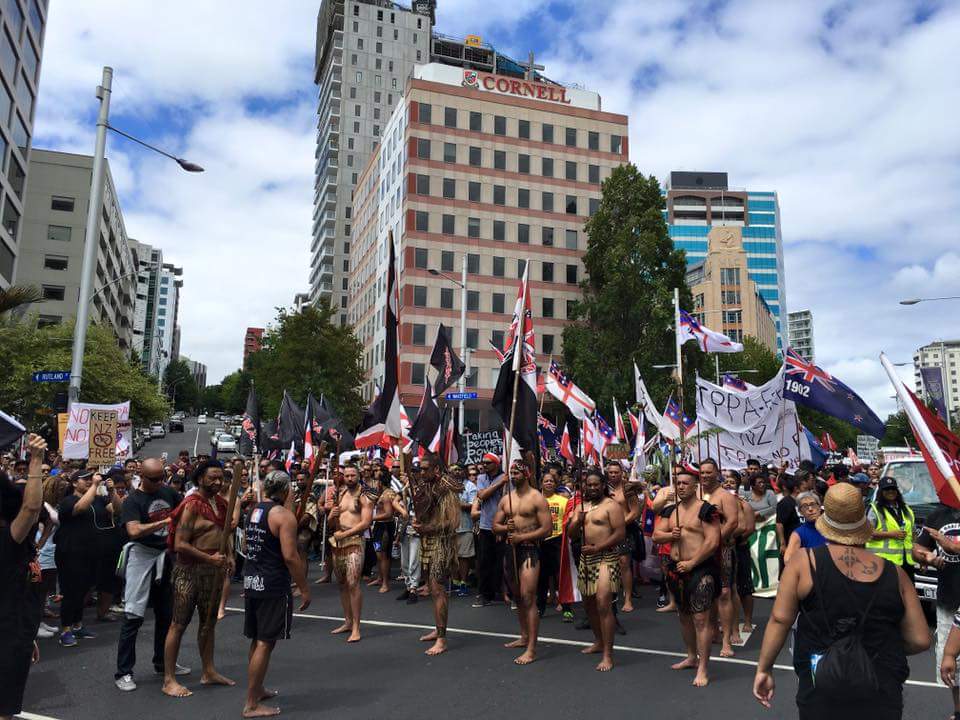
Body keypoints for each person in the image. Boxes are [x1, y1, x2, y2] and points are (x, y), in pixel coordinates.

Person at [753, 483, 930, 718]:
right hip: (881, 685)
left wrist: (764, 668)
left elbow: (780, 620)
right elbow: (920, 639)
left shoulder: (803, 563)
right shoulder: (895, 574)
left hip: (822, 683)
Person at [161, 460, 236, 697]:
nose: (218, 482)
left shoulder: (221, 503)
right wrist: (209, 558)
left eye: (220, 477)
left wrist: (230, 555)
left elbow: (223, 533)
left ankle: (209, 671)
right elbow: (180, 544)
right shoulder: (192, 504)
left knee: (209, 623)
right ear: (200, 478)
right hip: (189, 572)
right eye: (212, 477)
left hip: (212, 573)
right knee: (179, 623)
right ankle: (169, 680)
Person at [241, 470, 310, 719]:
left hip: (253, 580)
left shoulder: (254, 510)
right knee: (265, 641)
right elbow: (290, 556)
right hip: (272, 583)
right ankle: (251, 703)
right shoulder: (284, 516)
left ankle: (257, 689)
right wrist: (304, 588)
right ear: (285, 490)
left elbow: (247, 545)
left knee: (257, 639)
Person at [115, 458, 183, 693]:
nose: (159, 482)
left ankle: (163, 662)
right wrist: (165, 521)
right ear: (141, 476)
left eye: (161, 477)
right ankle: (124, 672)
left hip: (165, 554)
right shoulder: (133, 500)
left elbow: (185, 511)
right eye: (154, 479)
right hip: (141, 555)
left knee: (166, 613)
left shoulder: (168, 492)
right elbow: (133, 530)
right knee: (133, 614)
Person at [652, 467, 721, 687]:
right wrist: (669, 535)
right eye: (678, 483)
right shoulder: (671, 510)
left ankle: (703, 667)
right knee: (683, 615)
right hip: (675, 568)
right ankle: (691, 657)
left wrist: (693, 562)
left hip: (701, 568)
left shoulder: (706, 510)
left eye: (685, 483)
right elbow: (656, 536)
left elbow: (713, 541)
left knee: (701, 619)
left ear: (695, 486)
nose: (681, 487)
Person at [0, 435, 46, 720]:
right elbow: (31, 508)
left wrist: (28, 635)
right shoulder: (7, 540)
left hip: (15, 631)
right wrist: (36, 460)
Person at [566, 467, 625, 671]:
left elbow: (620, 534)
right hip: (586, 559)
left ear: (602, 485)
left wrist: (598, 547)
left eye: (596, 484)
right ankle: (599, 641)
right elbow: (571, 534)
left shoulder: (612, 505)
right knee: (589, 604)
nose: (592, 488)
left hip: (606, 558)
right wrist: (577, 521)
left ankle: (608, 654)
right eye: (589, 485)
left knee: (603, 603)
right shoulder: (581, 506)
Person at [492, 459, 551, 665]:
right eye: (511, 472)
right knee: (517, 597)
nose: (513, 476)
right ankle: (524, 636)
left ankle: (531, 648)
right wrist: (505, 528)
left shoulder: (537, 498)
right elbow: (495, 526)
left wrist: (522, 537)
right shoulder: (506, 499)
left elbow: (547, 529)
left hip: (529, 551)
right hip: (511, 551)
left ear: (526, 474)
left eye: (517, 472)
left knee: (528, 597)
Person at [55, 469, 117, 645]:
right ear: (75, 483)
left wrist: (112, 491)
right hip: (70, 553)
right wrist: (95, 485)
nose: (90, 481)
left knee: (83, 591)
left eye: (91, 479)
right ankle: (65, 630)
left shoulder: (97, 499)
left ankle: (77, 625)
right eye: (86, 479)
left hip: (90, 553)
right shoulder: (68, 501)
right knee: (70, 591)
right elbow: (80, 508)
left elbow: (117, 509)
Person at [411, 452, 462, 656]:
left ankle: (442, 639)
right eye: (421, 469)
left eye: (425, 469)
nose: (422, 472)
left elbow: (453, 522)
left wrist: (427, 528)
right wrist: (419, 523)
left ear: (437, 469)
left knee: (438, 588)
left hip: (441, 543)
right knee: (432, 589)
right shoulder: (426, 487)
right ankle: (438, 629)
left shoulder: (447, 489)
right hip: (427, 541)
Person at [914, 499, 960, 719]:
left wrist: (954, 547)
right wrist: (927, 557)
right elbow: (917, 549)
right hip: (949, 601)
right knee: (953, 664)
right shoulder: (939, 514)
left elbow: (952, 547)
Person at [329, 465, 373, 643]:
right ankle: (347, 621)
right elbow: (332, 522)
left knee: (353, 583)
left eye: (352, 475)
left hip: (355, 541)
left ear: (358, 475)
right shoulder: (340, 494)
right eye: (346, 475)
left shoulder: (365, 495)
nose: (349, 478)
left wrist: (345, 534)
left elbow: (366, 522)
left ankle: (356, 627)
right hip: (338, 541)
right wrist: (331, 515)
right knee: (342, 584)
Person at [474, 453, 508, 606]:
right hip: (486, 526)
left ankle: (504, 593)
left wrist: (501, 527)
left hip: (502, 525)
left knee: (503, 562)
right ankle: (485, 594)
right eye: (483, 462)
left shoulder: (506, 477)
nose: (484, 465)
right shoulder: (482, 478)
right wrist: (499, 484)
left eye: (488, 463)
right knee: (485, 562)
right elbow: (482, 495)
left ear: (496, 464)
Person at [866, 477, 916, 581]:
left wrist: (920, 557)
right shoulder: (874, 509)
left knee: (908, 589)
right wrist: (890, 534)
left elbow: (913, 534)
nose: (890, 491)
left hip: (907, 563)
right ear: (881, 491)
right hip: (883, 563)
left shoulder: (906, 509)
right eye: (887, 489)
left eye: (893, 489)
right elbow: (867, 533)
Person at [606, 460, 640, 613]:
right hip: (606, 531)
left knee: (624, 563)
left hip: (625, 530)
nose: (613, 475)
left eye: (616, 472)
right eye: (611, 472)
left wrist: (620, 524)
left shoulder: (628, 489)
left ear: (621, 473)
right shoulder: (604, 488)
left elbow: (634, 512)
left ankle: (628, 599)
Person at [537, 473, 571, 621]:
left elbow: (568, 520)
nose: (549, 483)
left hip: (558, 540)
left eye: (551, 481)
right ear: (541, 484)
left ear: (555, 484)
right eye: (546, 481)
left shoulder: (563, 501)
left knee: (561, 576)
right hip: (541, 541)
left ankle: (567, 609)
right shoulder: (536, 500)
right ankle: (540, 608)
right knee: (542, 577)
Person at [392, 468, 420, 604]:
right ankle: (408, 587)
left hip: (417, 529)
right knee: (404, 562)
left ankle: (414, 588)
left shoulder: (423, 488)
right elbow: (395, 501)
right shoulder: (405, 489)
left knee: (414, 561)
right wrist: (402, 511)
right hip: (404, 528)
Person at [368, 468, 396, 594]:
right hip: (379, 527)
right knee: (378, 553)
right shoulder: (383, 492)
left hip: (384, 527)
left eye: (376, 480)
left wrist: (371, 518)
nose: (375, 482)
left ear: (381, 481)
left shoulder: (387, 494)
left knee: (383, 555)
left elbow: (389, 514)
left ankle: (385, 583)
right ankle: (380, 578)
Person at [783, 491, 827, 564]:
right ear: (800, 512)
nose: (810, 509)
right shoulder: (798, 534)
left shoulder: (831, 528)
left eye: (813, 504)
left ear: (819, 507)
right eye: (805, 506)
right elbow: (787, 560)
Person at [454, 464, 477, 598]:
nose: (456, 472)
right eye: (454, 470)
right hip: (450, 527)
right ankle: (455, 581)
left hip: (465, 527)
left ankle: (463, 582)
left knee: (464, 557)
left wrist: (457, 503)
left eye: (459, 469)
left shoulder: (470, 486)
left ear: (464, 472)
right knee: (453, 556)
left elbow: (473, 505)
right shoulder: (447, 486)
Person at [776, 474, 802, 568]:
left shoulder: (801, 501)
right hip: (790, 541)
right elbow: (779, 524)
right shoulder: (785, 503)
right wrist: (783, 544)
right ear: (796, 488)